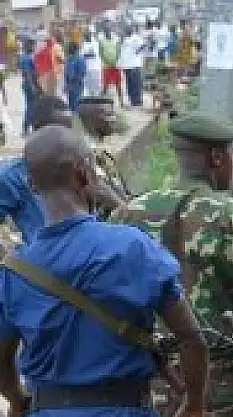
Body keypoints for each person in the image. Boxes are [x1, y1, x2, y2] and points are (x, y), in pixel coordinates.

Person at [0, 125, 208, 417]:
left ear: (31, 185)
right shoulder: (134, 247)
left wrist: (17, 399)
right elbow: (191, 337)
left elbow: (2, 361)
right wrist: (194, 404)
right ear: (85, 174)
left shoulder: (14, 271)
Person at [110, 112, 233, 416]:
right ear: (216, 158)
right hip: (229, 385)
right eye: (230, 154)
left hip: (158, 385)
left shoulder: (128, 214)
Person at [119, 27, 145, 107]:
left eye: (128, 29)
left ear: (132, 30)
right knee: (129, 84)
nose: (126, 30)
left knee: (136, 83)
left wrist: (137, 51)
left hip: (135, 65)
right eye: (125, 29)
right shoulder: (125, 39)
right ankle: (132, 100)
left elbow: (143, 45)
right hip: (126, 65)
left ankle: (137, 101)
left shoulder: (136, 38)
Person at [19, 39, 39, 136]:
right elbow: (27, 73)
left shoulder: (24, 56)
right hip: (29, 84)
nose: (34, 47)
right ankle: (27, 127)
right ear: (28, 46)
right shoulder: (26, 58)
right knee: (31, 106)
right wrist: (32, 86)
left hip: (28, 83)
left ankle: (28, 127)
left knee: (31, 106)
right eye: (33, 45)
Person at [100, 27, 124, 107]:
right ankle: (102, 102)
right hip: (106, 66)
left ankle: (121, 102)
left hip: (116, 65)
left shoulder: (116, 41)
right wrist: (106, 61)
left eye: (109, 32)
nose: (108, 33)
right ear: (104, 34)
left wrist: (116, 61)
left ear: (111, 32)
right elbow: (101, 54)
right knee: (105, 85)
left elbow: (119, 52)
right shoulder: (102, 42)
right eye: (106, 32)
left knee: (118, 85)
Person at [64, 41, 86, 112]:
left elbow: (82, 73)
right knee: (71, 104)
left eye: (70, 48)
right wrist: (66, 84)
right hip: (70, 85)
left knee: (76, 103)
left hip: (77, 85)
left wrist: (75, 79)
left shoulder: (80, 58)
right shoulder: (68, 59)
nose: (68, 49)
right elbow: (66, 72)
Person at [81, 31, 103, 97]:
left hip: (95, 69)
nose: (87, 37)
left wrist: (86, 55)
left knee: (96, 88)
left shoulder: (96, 43)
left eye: (88, 35)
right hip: (87, 69)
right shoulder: (83, 45)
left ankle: (96, 99)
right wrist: (87, 55)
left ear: (91, 36)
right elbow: (82, 56)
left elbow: (94, 54)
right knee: (87, 87)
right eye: (86, 36)